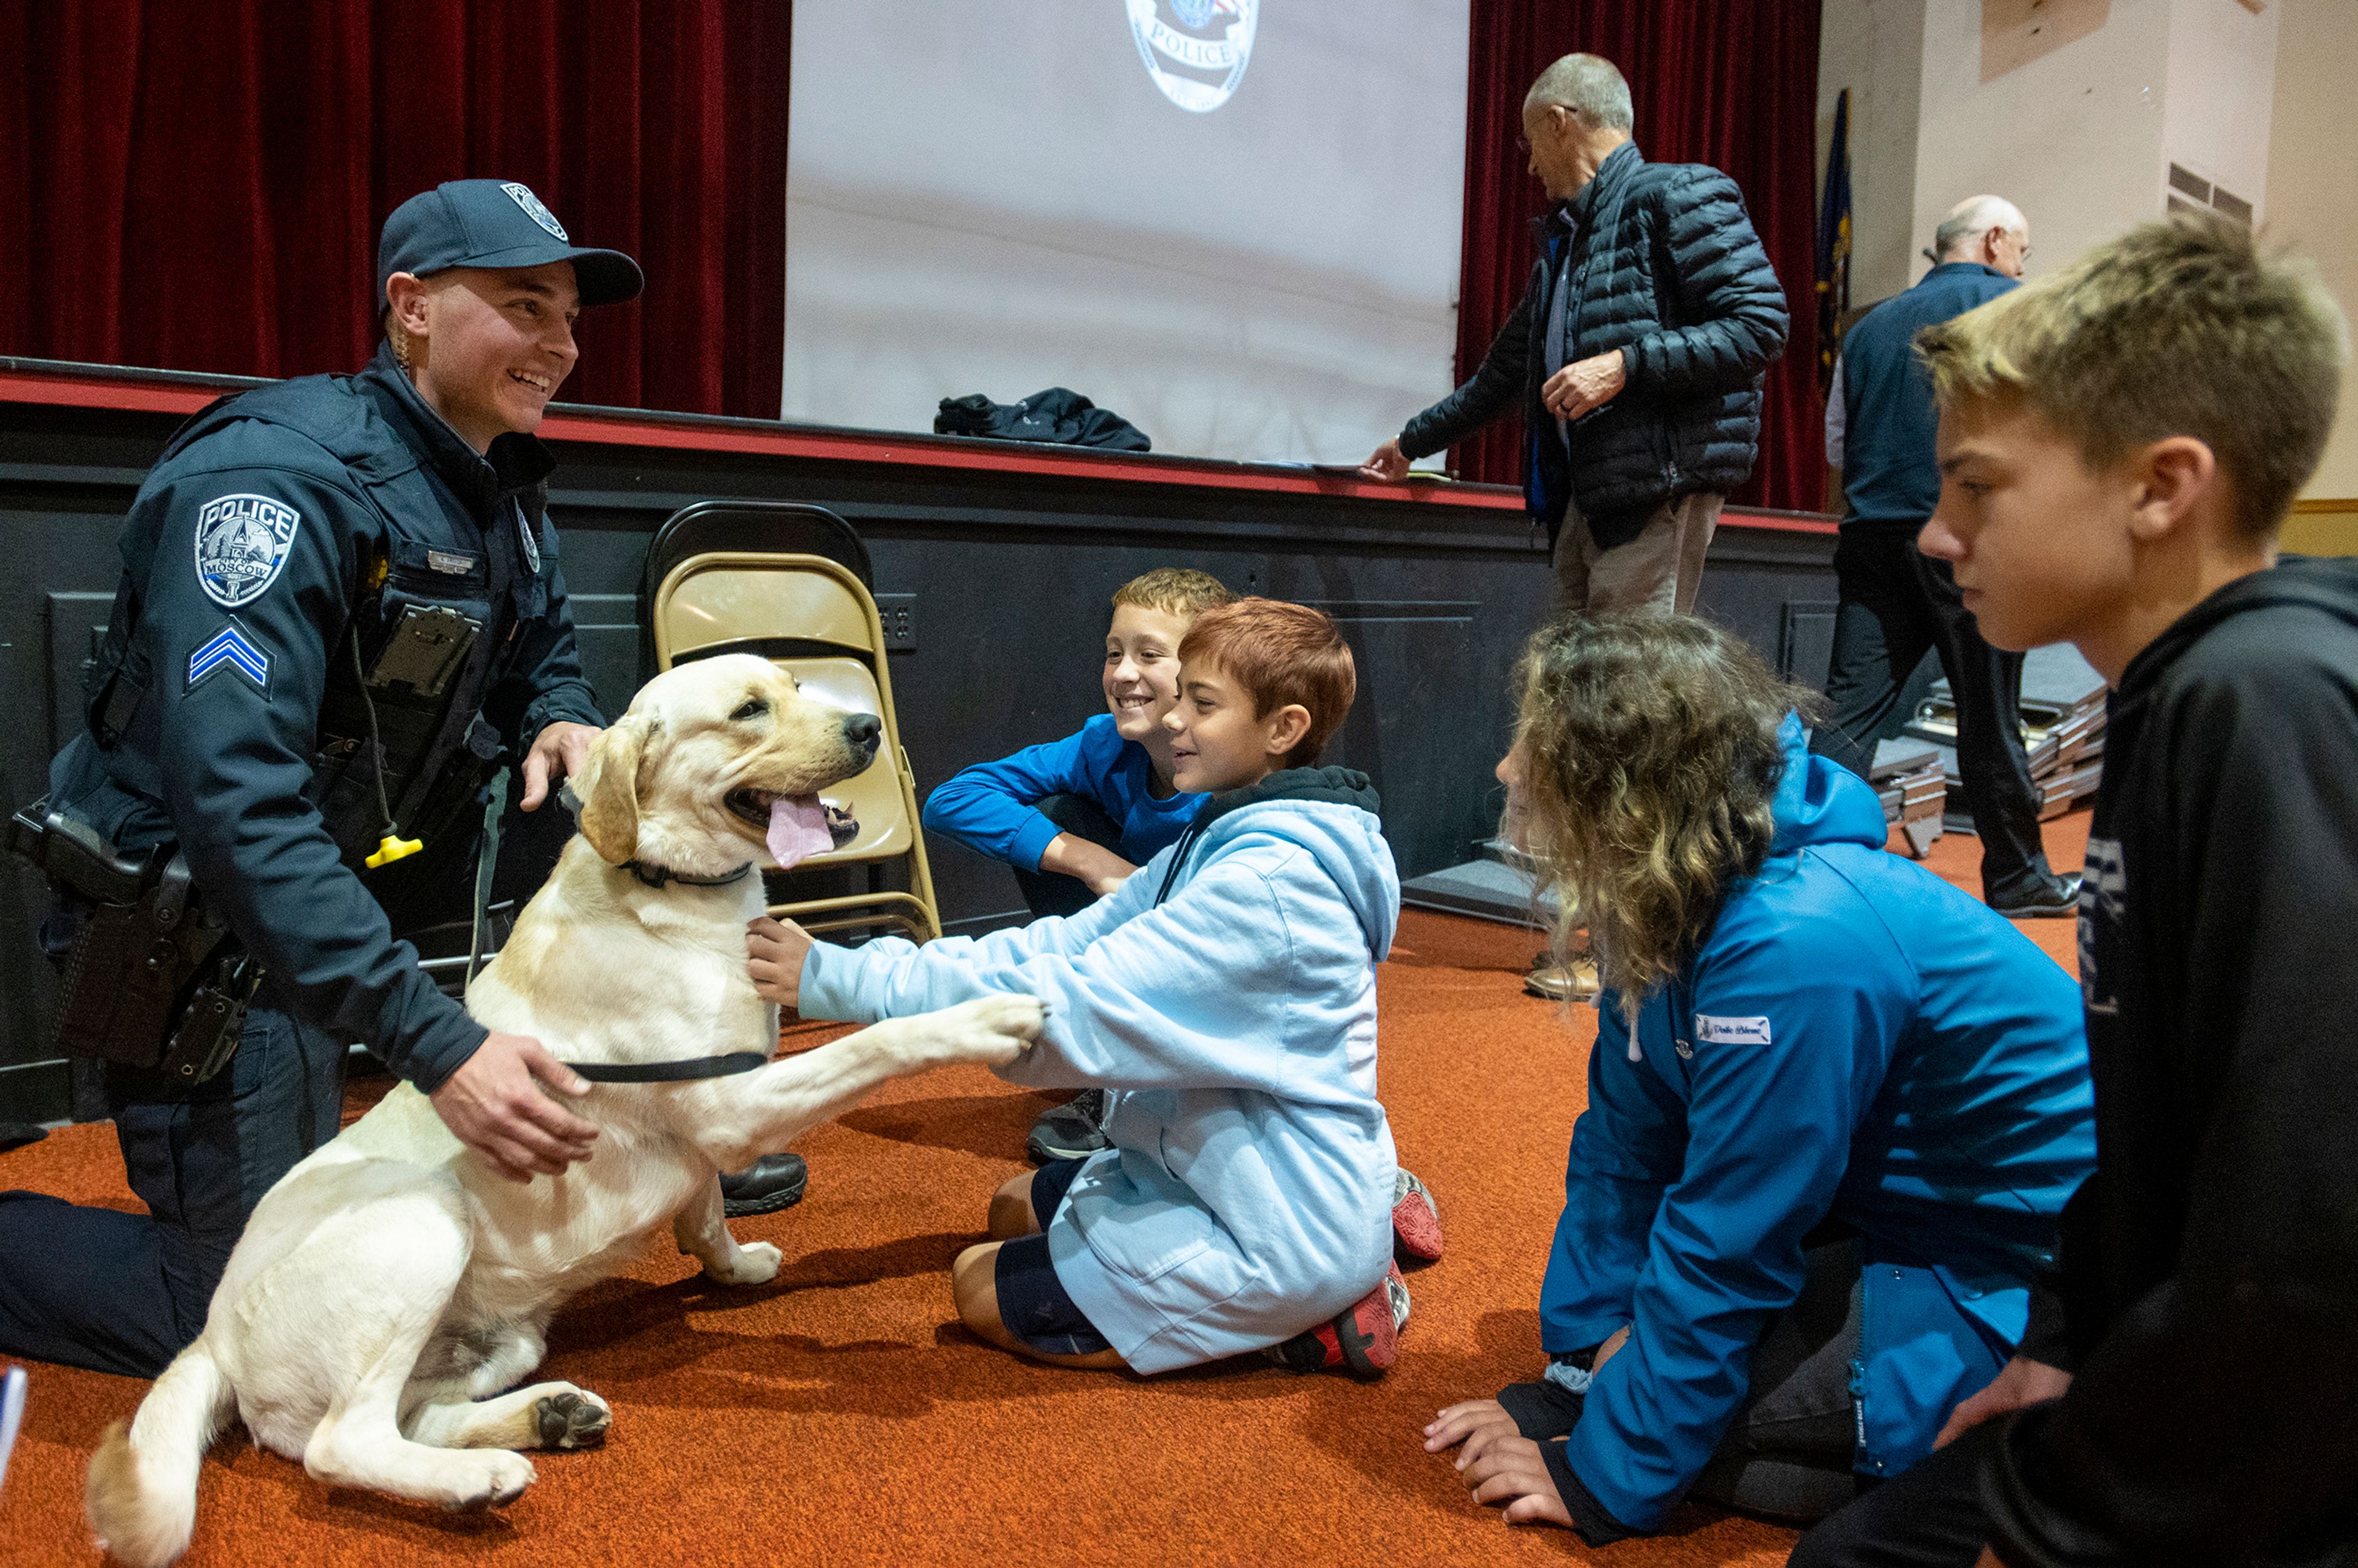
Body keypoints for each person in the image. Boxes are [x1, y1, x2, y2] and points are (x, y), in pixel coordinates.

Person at [0, 180, 795, 1380]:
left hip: (357, 872)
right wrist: (440, 1043)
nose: (563, 346)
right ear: (412, 308)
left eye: (571, 317)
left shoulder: (500, 478)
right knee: (251, 1314)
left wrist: (566, 722)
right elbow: (238, 810)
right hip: (204, 926)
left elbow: (545, 655)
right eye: (525, 306)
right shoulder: (278, 483)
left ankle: (670, 1118)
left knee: (626, 800)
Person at [1789, 219, 2358, 1567]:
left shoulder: (2261, 703)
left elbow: (2311, 1224)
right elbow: (2160, 1130)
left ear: (2161, 486)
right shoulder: (2187, 694)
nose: (1937, 534)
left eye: (1980, 487)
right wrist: (2061, 1345)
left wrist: (2063, 1520)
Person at [1425, 613, 2095, 1545]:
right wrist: (1574, 1371)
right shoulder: (1675, 876)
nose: (1507, 771)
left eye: (1534, 746)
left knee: (1700, 1438)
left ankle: (2036, 1444)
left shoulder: (1795, 938)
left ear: (1627, 781)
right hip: (1882, 1214)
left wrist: (1603, 1473)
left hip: (2029, 1272)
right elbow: (1628, 1142)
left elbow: (1732, 1228)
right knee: (1639, 1388)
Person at [748, 599, 1415, 1377]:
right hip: (1208, 1165)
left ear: (1283, 729)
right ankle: (1358, 1241)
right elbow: (1056, 945)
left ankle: (1316, 1316)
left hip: (1276, 1228)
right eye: (1181, 698)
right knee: (1009, 1206)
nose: (1173, 721)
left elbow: (1067, 1009)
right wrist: (839, 970)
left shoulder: (1269, 886)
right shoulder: (1224, 841)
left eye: (1202, 705)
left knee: (978, 1289)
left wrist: (834, 978)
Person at [1363, 51, 1788, 623]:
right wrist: (1412, 442)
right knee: (1569, 689)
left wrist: (1623, 366)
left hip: (1655, 498)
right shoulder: (1569, 242)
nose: (1531, 167)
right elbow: (1503, 376)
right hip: (1584, 501)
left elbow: (1759, 324)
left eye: (1529, 143)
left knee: (1626, 695)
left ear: (1560, 122)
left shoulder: (1678, 192)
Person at [1812, 196, 2077, 917]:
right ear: (1995, 241)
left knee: (1848, 714)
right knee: (1990, 712)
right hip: (1969, 541)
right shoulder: (2021, 310)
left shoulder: (1865, 329)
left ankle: (1805, 861)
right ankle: (2020, 878)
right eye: (2023, 248)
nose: (2025, 263)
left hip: (1870, 539)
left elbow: (1838, 445)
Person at [920, 567, 1232, 1163]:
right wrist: (1089, 859)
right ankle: (1110, 1077)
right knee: (1055, 816)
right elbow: (952, 799)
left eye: (1149, 654)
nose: (1122, 674)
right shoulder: (1104, 745)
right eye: (1114, 653)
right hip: (1132, 943)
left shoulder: (1240, 774)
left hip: (1213, 961)